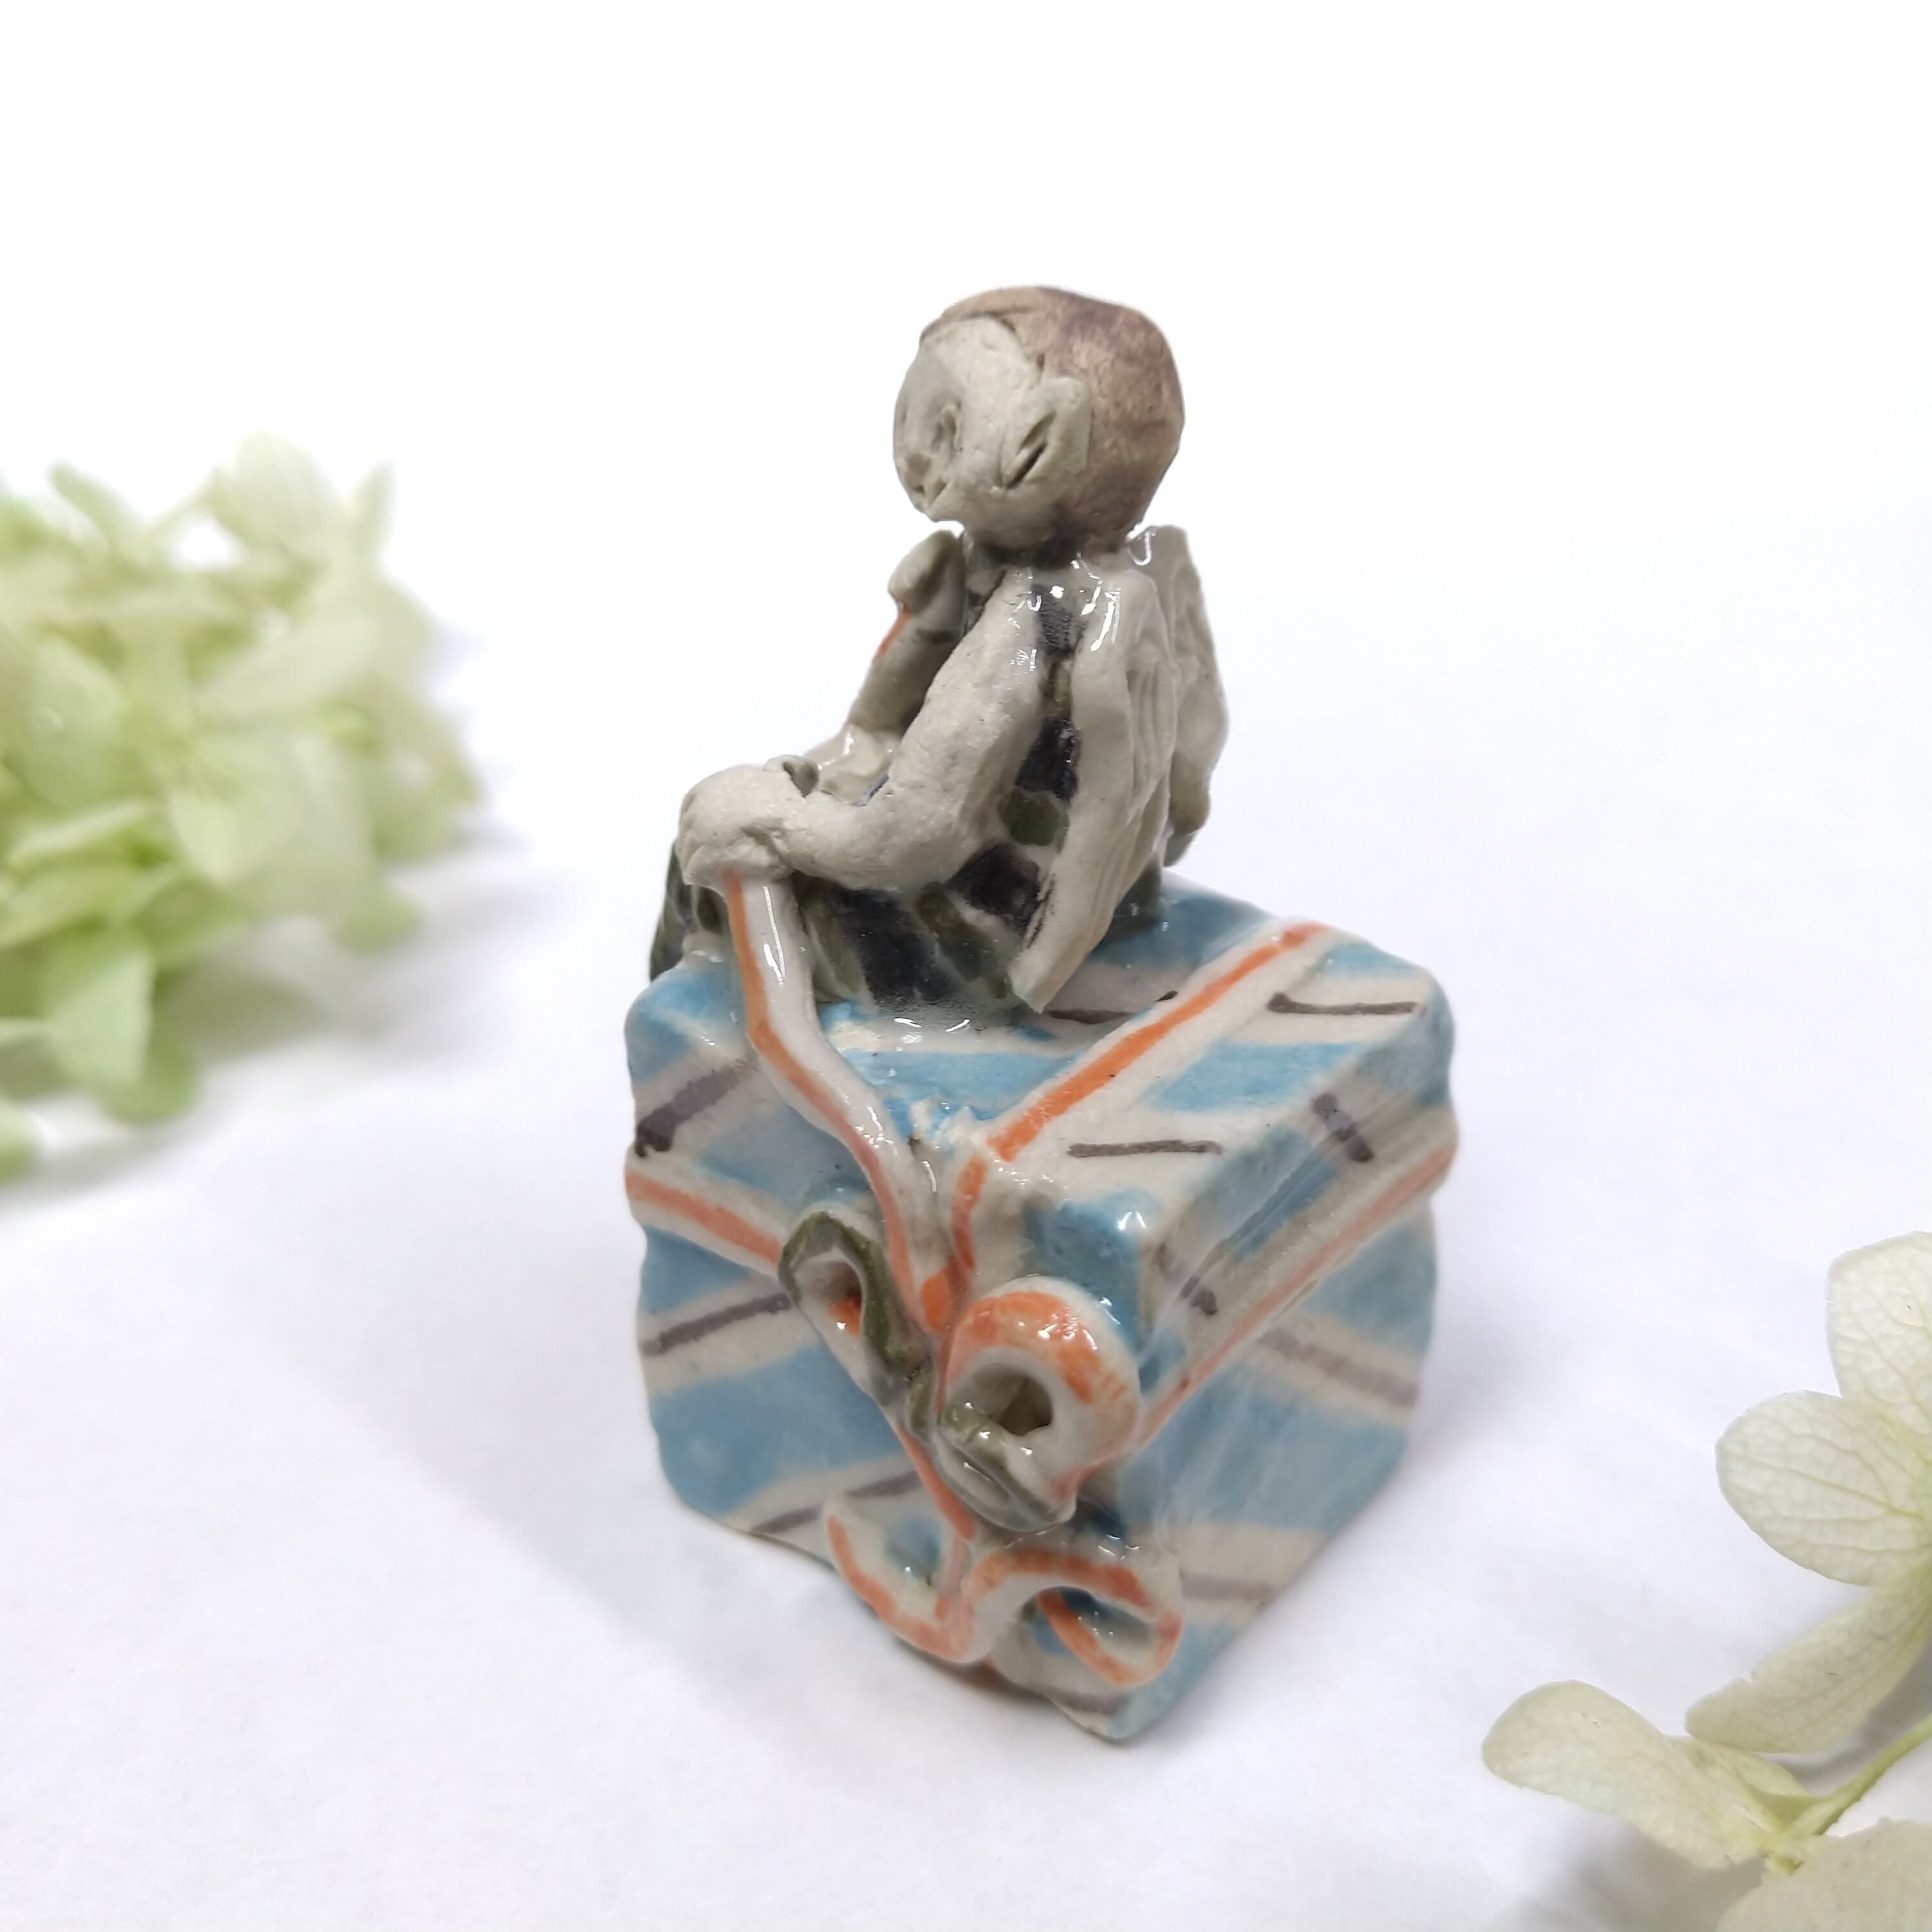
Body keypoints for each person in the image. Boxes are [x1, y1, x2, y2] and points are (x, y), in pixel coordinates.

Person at [667, 285, 1227, 1016]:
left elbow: (913, 835)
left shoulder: (1030, 624)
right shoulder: (1123, 584)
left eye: (946, 426)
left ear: (1041, 442)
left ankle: (740, 1034)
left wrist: (775, 822)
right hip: (1078, 900)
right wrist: (924, 630)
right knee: (787, 791)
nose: (910, 452)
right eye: (908, 418)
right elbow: (874, 727)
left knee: (700, 856)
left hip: (963, 944)